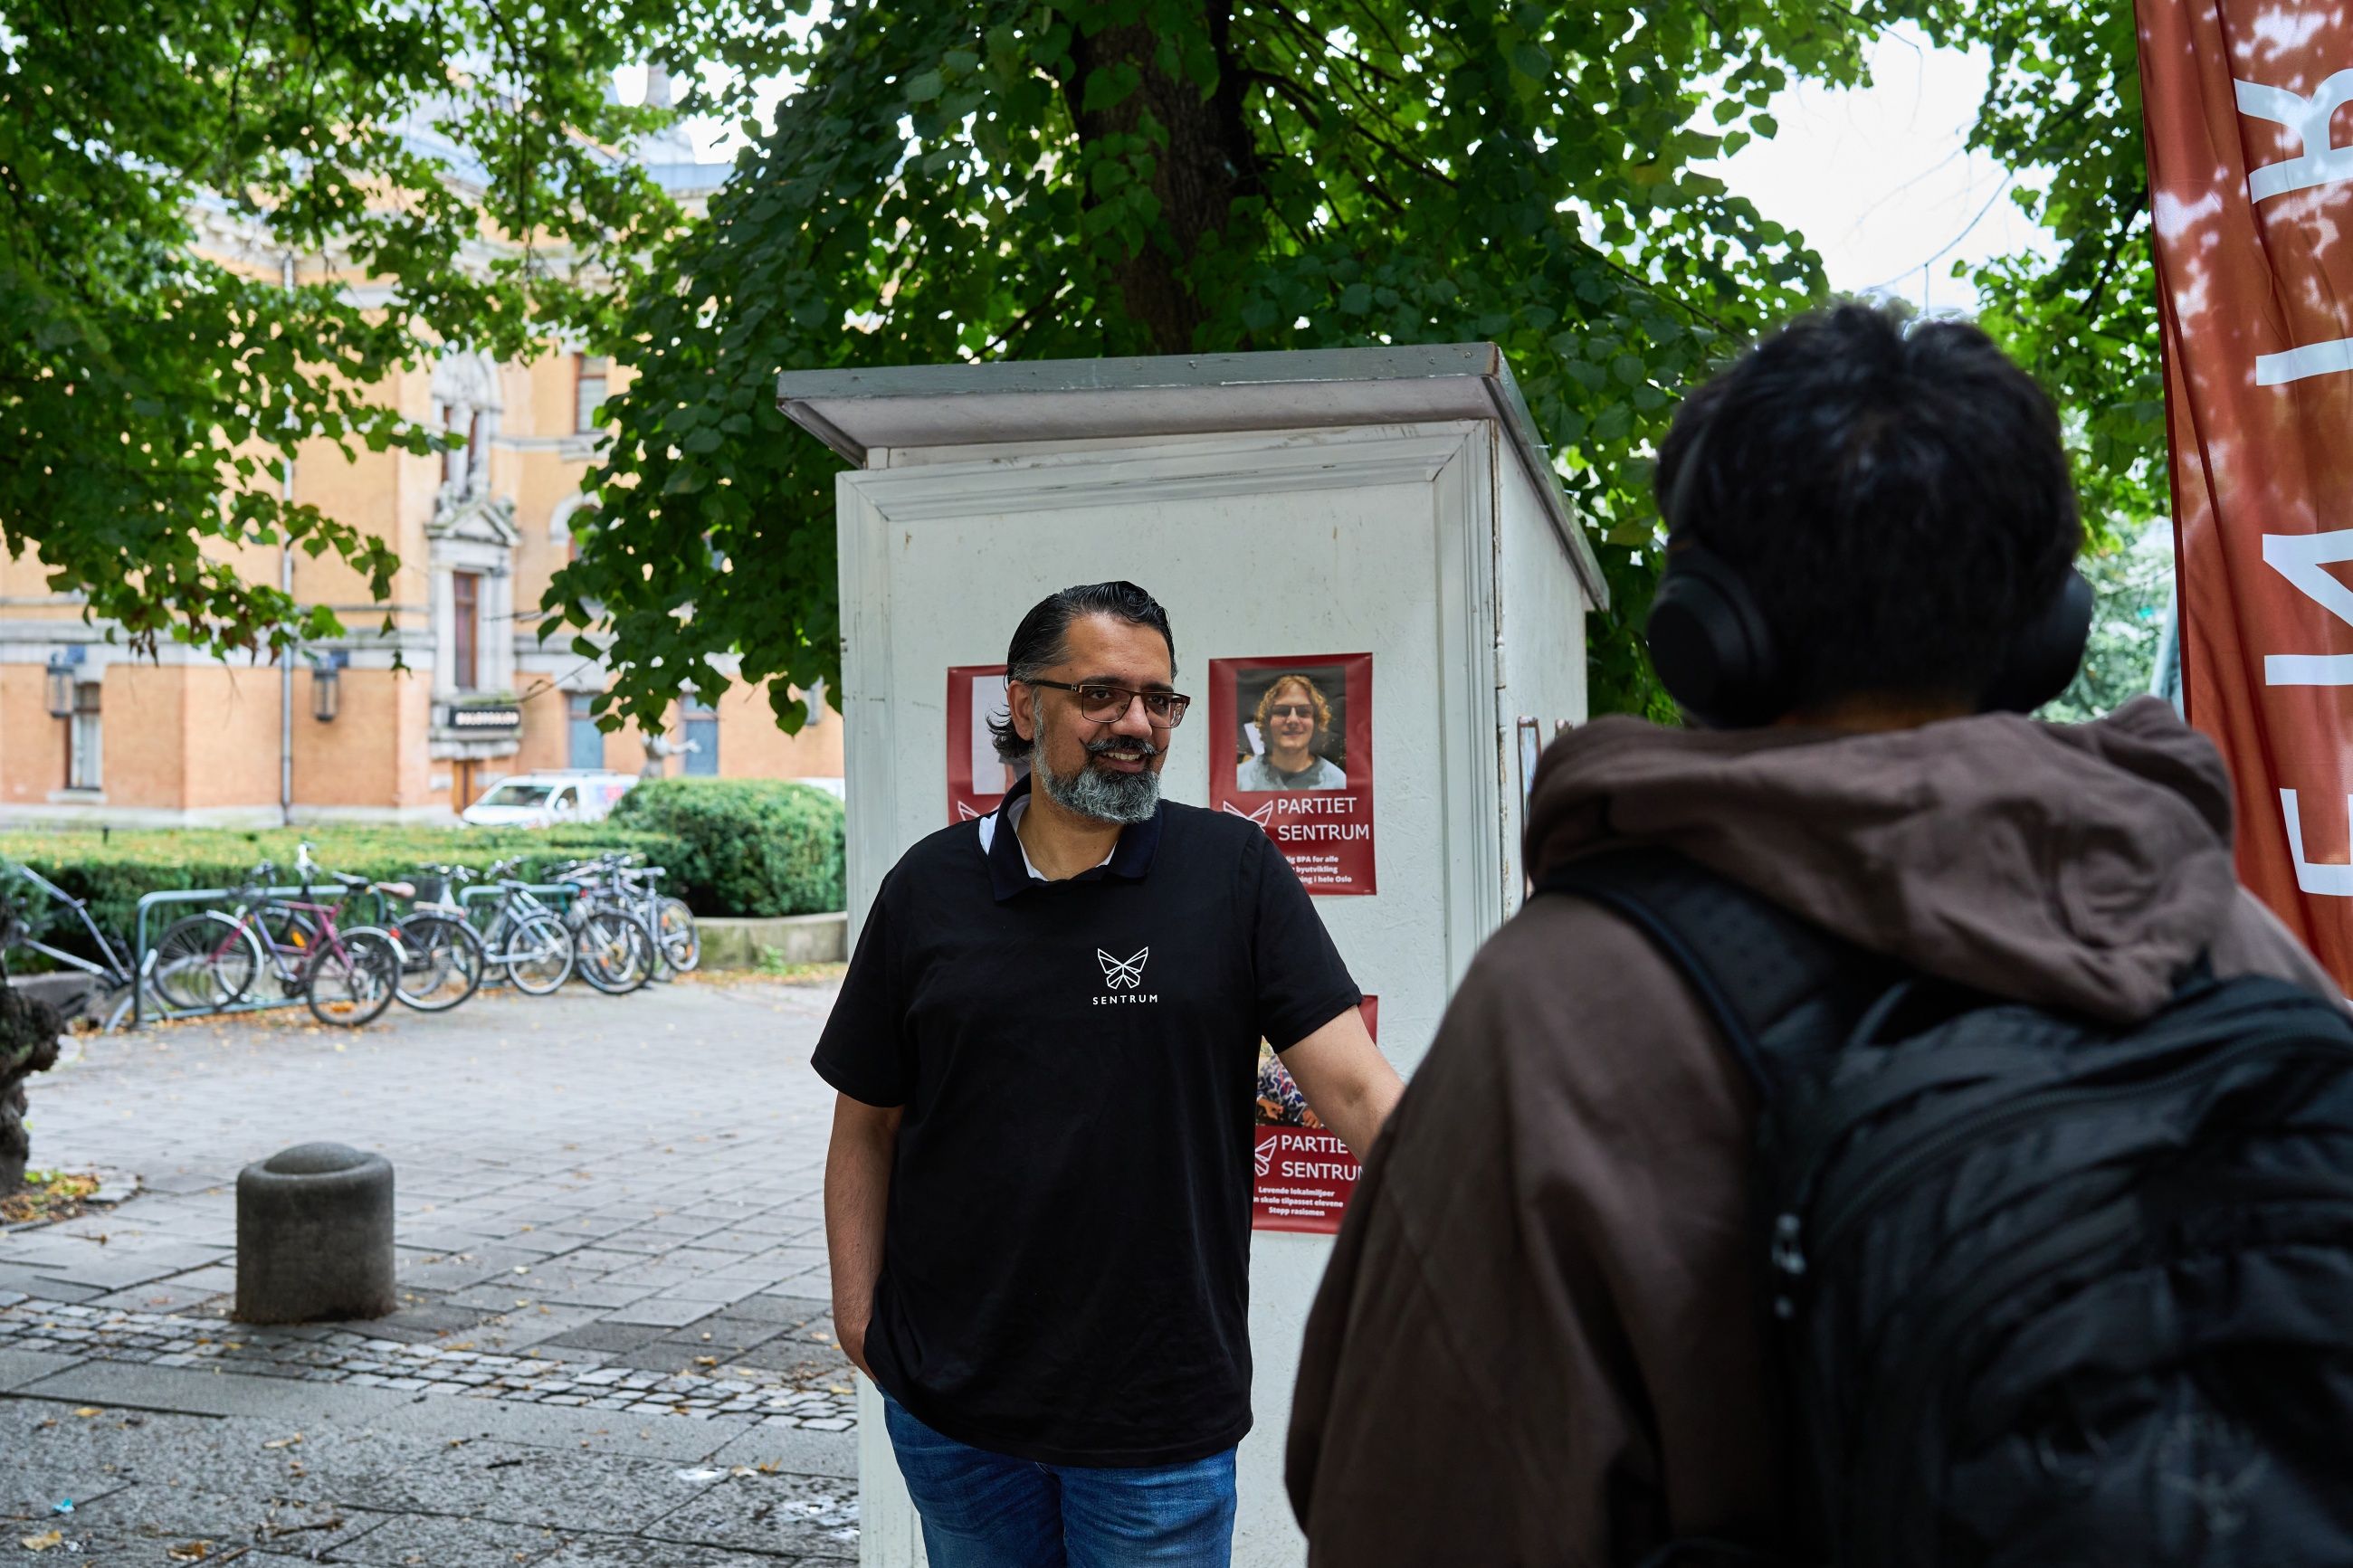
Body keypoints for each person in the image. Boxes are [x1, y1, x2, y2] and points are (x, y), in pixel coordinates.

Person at [1285, 306, 2345, 1563]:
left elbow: (1403, 1500)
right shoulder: (2220, 940)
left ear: (1707, 629)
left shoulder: (1570, 1011)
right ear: (2045, 628)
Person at [820, 580, 1403, 1568]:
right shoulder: (928, 887)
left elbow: (1353, 1090)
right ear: (1020, 701)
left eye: (1157, 699)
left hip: (1156, 1411)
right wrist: (861, 1322)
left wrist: (1499, 1221)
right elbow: (866, 1120)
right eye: (1100, 695)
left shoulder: (1232, 869)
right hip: (955, 1410)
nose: (1136, 724)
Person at [1236, 674, 1347, 790]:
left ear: (1316, 723)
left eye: (1303, 712)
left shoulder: (1338, 783)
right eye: (1282, 711)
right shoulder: (1240, 781)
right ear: (1267, 722)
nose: (1292, 720)